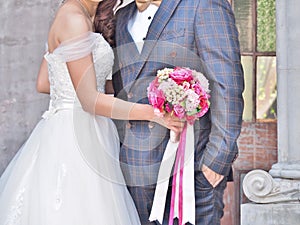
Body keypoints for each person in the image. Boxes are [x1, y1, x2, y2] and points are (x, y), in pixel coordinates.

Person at [0, 0, 183, 224]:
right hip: (75, 139)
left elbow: (45, 83)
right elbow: (89, 100)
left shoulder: (77, 15)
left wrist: (140, 88)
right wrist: (153, 113)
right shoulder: (74, 20)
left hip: (79, 128)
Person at [113, 0, 244, 224]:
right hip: (134, 172)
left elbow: (227, 84)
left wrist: (216, 161)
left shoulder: (204, 5)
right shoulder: (122, 17)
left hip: (192, 171)